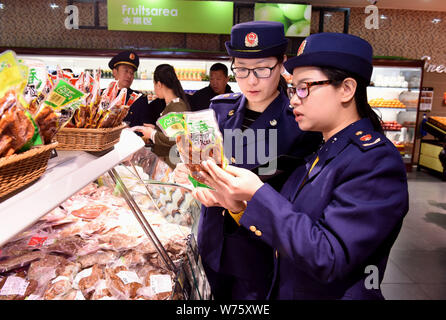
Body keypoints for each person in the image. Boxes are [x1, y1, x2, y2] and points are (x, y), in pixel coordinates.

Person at [193, 32, 409, 300]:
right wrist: (236, 206)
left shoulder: (375, 162)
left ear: (347, 89)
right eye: (293, 88)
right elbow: (295, 229)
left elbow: (328, 256)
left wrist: (257, 192)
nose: (294, 99)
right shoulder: (324, 150)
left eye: (305, 87)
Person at [174, 21, 322, 300]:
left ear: (282, 65)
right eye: (241, 69)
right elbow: (202, 165)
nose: (251, 80)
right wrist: (192, 176)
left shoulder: (299, 122)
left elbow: (302, 197)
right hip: (212, 240)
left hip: (259, 250)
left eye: (263, 69)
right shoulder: (220, 109)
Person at [134, 64, 190, 169]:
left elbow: (176, 138)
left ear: (159, 84)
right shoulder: (173, 105)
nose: (154, 88)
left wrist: (152, 134)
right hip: (168, 164)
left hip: (172, 166)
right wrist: (154, 129)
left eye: (154, 84)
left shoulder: (177, 107)